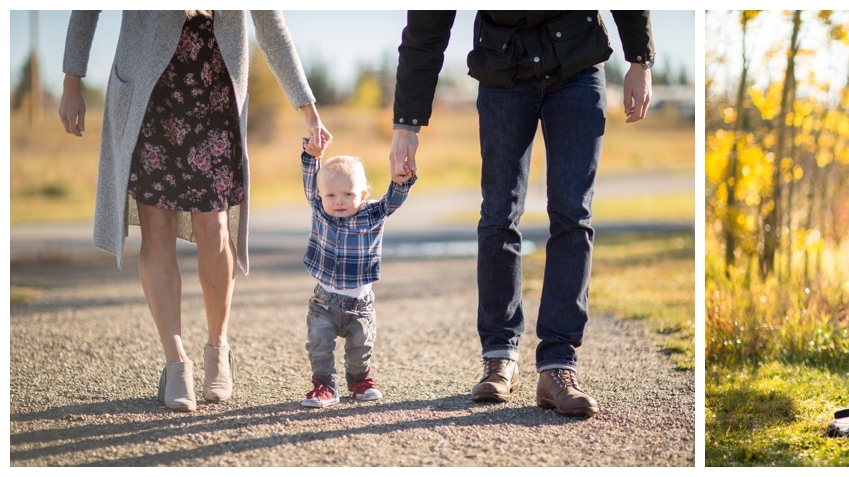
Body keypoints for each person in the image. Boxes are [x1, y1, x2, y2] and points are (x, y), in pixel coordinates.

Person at [60, 10, 330, 412]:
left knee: (216, 228)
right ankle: (175, 363)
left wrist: (308, 109)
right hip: (148, 93)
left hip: (215, 92)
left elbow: (271, 25)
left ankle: (217, 349)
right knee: (155, 226)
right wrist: (71, 81)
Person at [390, 10, 654, 418]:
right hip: (503, 70)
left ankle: (557, 367)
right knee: (498, 214)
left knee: (573, 215)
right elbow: (427, 24)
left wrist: (640, 59)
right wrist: (406, 124)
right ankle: (500, 357)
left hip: (578, 65)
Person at [298, 139, 416, 408]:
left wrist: (402, 179)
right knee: (319, 345)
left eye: (347, 194)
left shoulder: (372, 214)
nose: (338, 201)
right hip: (324, 302)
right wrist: (311, 155)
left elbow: (393, 200)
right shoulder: (320, 211)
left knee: (360, 348)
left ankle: (359, 381)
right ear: (321, 196)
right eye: (331, 195)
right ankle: (324, 385)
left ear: (362, 195)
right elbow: (309, 181)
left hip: (360, 305)